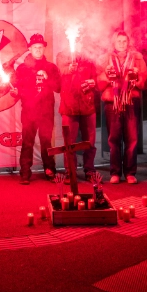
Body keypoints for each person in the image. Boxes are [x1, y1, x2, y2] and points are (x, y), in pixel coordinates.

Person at [96, 31, 147, 184]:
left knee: (132, 139)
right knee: (114, 139)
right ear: (113, 43)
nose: (121, 44)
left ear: (128, 43)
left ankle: (130, 172)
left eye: (124, 41)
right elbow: (98, 83)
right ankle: (115, 172)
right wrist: (107, 75)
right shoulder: (104, 59)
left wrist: (137, 77)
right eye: (118, 41)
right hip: (112, 102)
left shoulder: (137, 58)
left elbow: (145, 81)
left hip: (131, 101)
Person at [11, 34, 61, 184]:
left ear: (44, 48)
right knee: (27, 142)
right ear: (30, 49)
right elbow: (16, 89)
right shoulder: (22, 68)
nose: (38, 49)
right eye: (35, 47)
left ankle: (50, 170)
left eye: (40, 47)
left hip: (46, 111)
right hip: (29, 110)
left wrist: (47, 77)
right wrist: (15, 93)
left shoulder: (51, 67)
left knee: (46, 141)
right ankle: (25, 172)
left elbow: (58, 88)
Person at [56, 35, 98, 185]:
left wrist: (94, 82)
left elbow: (97, 77)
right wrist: (68, 69)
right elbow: (58, 74)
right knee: (69, 142)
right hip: (69, 106)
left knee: (90, 141)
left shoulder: (89, 58)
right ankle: (70, 172)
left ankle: (89, 170)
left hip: (87, 105)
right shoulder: (62, 56)